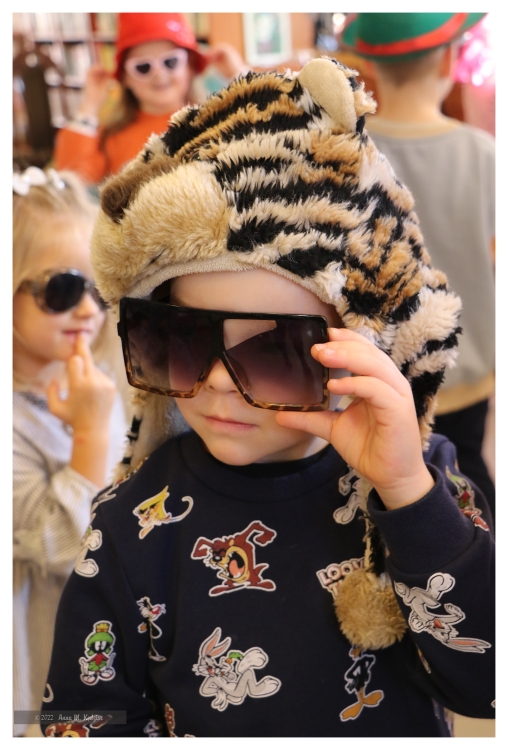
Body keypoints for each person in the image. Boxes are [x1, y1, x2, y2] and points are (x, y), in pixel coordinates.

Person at [41, 59, 494, 738]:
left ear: (366, 345)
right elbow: (81, 719)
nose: (220, 382)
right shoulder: (130, 521)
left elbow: (486, 686)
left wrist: (407, 494)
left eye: (278, 350)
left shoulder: (424, 485)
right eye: (183, 336)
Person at [340, 13, 496, 520]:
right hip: (466, 367)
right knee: (469, 475)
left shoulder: (353, 152)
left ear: (369, 65)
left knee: (381, 483)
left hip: (380, 369)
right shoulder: (484, 154)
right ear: (448, 60)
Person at [13, 167, 128, 736]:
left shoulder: (98, 380)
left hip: (105, 632)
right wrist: (89, 434)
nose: (88, 310)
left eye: (98, 287)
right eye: (62, 289)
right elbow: (58, 545)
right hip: (41, 658)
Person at [54, 13, 248, 185]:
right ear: (125, 78)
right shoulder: (113, 137)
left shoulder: (219, 121)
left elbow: (262, 137)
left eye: (170, 62)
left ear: (189, 66)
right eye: (143, 67)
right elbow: (73, 179)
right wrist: (90, 104)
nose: (159, 74)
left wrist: (241, 76)